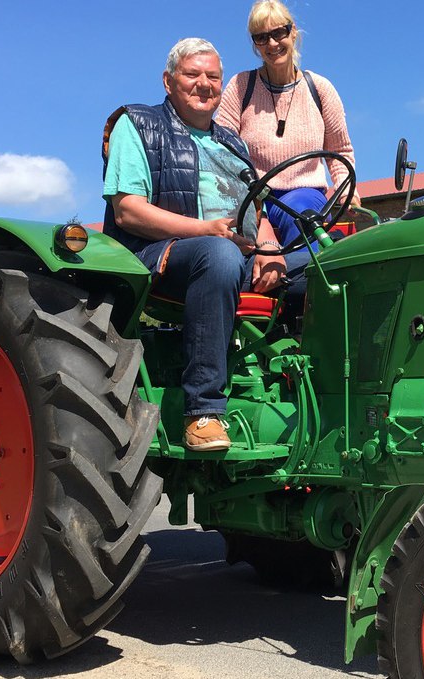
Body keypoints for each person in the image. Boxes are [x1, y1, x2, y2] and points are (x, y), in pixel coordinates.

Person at [102, 37, 287, 452]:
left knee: (324, 269)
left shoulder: (232, 142)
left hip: (231, 250)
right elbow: (127, 211)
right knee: (218, 256)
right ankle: (202, 411)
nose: (204, 83)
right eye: (192, 74)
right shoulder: (139, 124)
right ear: (169, 82)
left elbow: (258, 210)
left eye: (213, 76)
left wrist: (270, 247)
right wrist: (204, 230)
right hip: (160, 254)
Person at [217, 0, 358, 250]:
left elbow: (340, 152)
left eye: (278, 33)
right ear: (255, 44)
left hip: (305, 195)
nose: (272, 43)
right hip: (252, 198)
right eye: (261, 37)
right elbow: (220, 150)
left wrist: (347, 189)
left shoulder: (320, 89)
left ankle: (306, 284)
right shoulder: (241, 87)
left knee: (300, 212)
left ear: (293, 33)